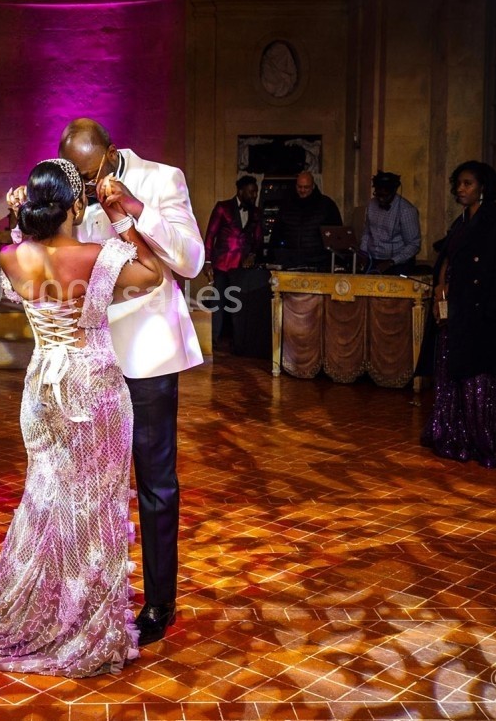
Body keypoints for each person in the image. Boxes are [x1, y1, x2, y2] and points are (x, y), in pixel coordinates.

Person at [0, 159, 163, 677]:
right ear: (77, 205)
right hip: (94, 391)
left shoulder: (13, 255)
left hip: (42, 395)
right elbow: (154, 275)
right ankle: (84, 622)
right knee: (94, 508)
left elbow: (11, 248)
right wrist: (122, 216)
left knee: (47, 498)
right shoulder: (102, 254)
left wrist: (16, 222)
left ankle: (40, 609)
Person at [39, 118, 205, 646]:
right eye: (78, 180)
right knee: (92, 485)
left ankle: (160, 601)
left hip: (149, 353)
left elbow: (192, 261)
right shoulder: (73, 189)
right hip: (94, 357)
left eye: (91, 175)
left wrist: (137, 211)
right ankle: (95, 591)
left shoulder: (162, 178)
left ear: (110, 155)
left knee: (155, 483)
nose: (85, 188)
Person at [418, 161, 496, 468]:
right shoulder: (461, 221)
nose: (461, 190)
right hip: (458, 310)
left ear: (483, 187)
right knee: (453, 369)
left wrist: (494, 309)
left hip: (484, 313)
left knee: (481, 374)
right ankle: (454, 431)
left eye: (467, 184)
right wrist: (440, 285)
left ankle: (484, 435)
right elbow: (448, 257)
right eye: (458, 184)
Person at [202, 175, 262, 348]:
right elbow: (210, 235)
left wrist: (252, 255)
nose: (254, 195)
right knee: (218, 302)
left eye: (256, 192)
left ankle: (238, 343)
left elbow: (258, 240)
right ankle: (213, 341)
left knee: (239, 305)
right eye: (251, 192)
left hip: (242, 267)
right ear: (240, 191)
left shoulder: (256, 212)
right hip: (222, 263)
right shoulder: (223, 207)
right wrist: (207, 261)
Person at [267, 171, 341, 271]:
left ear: (313, 186)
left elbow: (337, 235)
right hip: (291, 262)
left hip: (319, 263)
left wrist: (337, 261)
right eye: (299, 187)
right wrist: (272, 257)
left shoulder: (326, 205)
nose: (302, 190)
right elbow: (276, 233)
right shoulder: (287, 205)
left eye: (306, 187)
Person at [358, 171, 421, 275]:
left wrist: (391, 262)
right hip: (373, 260)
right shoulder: (371, 204)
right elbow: (367, 232)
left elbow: (413, 245)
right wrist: (363, 253)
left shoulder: (406, 211)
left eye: (385, 195)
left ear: (394, 191)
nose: (381, 199)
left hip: (397, 263)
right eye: (378, 194)